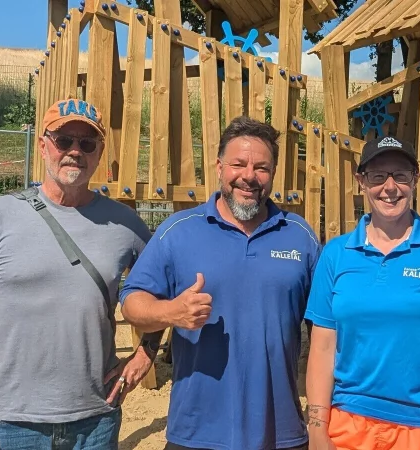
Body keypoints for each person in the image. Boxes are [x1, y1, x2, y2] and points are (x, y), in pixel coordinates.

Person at [0, 98, 158, 450]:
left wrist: (146, 352)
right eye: (64, 140)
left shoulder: (125, 224)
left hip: (96, 419)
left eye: (87, 143)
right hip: (10, 421)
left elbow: (161, 289)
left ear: (99, 153)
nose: (75, 151)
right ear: (43, 145)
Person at [119, 116, 321, 450]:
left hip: (280, 431)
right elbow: (132, 302)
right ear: (218, 167)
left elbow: (324, 330)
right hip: (196, 430)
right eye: (238, 164)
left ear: (273, 173)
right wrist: (170, 312)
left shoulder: (299, 236)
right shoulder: (180, 231)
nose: (248, 177)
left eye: (261, 167)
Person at [304, 135, 420, 450]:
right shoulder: (335, 254)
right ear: (362, 181)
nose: (390, 187)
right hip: (347, 425)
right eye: (378, 176)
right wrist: (317, 431)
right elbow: (321, 350)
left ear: (415, 180)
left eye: (400, 175)